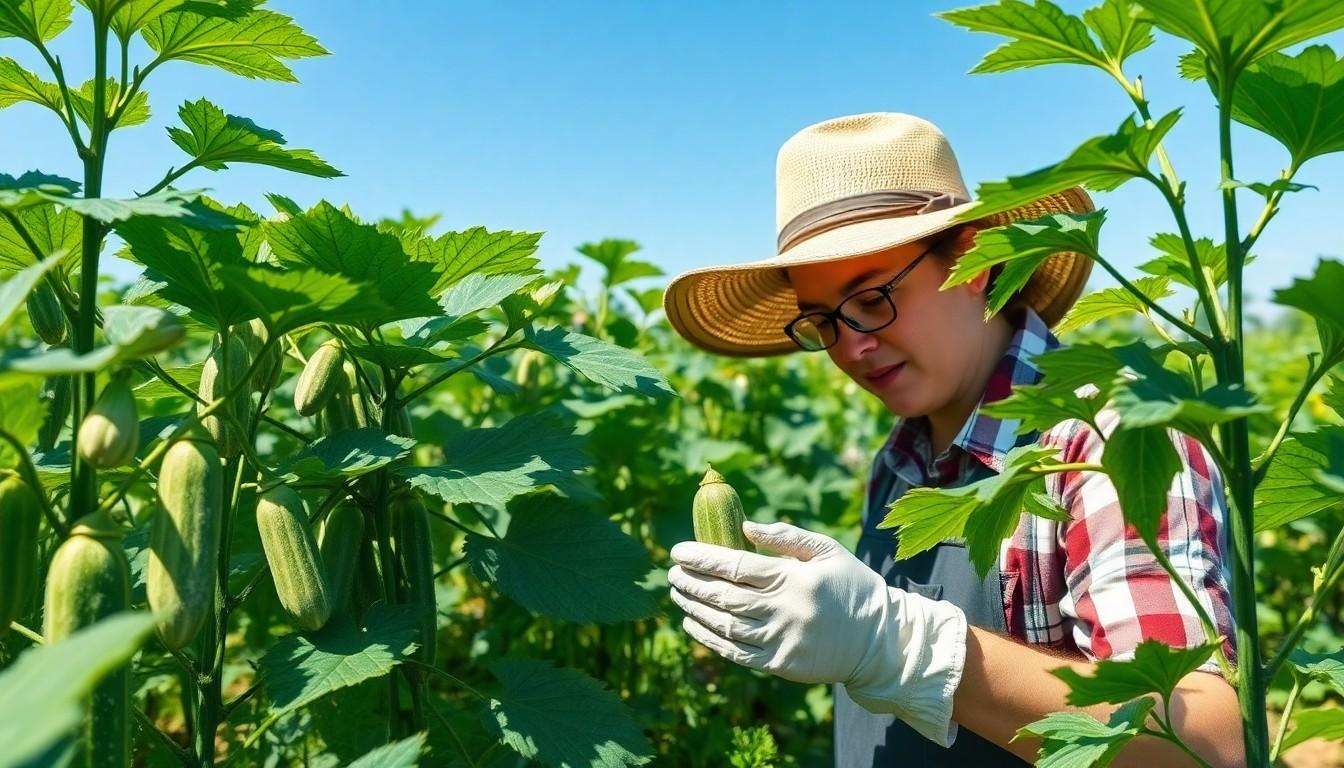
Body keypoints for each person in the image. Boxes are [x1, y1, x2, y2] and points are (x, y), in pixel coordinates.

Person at [660, 113, 1242, 767]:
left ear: (971, 263)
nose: (852, 346)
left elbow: (1201, 739)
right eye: (822, 321)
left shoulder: (1104, 439)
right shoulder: (899, 459)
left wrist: (903, 645)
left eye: (873, 298)